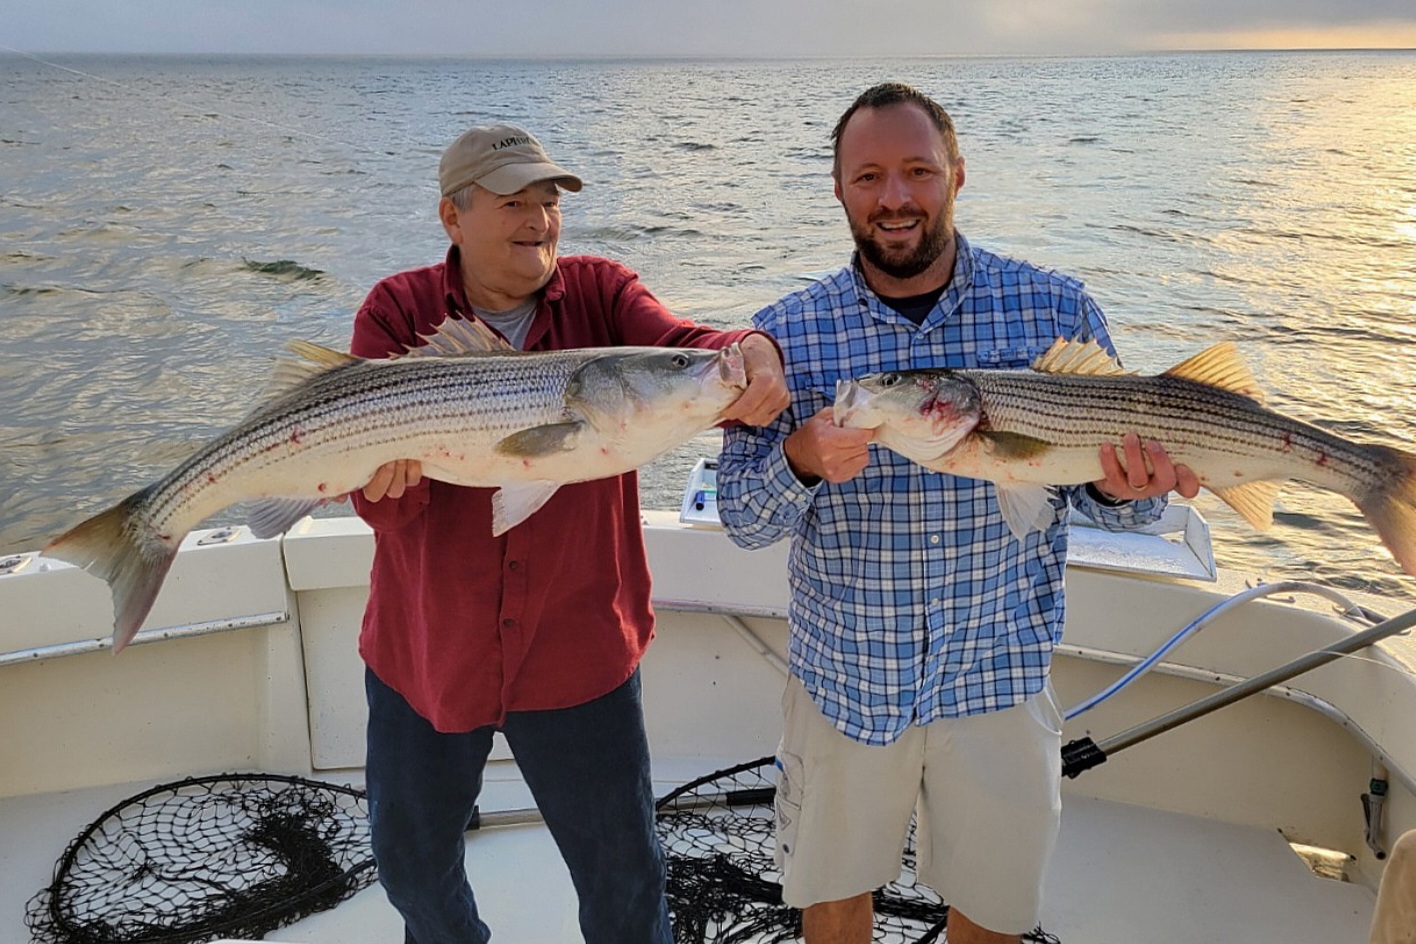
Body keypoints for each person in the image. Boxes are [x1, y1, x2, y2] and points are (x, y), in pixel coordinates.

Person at [716, 82, 1200, 944]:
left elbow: (1131, 509)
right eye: (869, 176)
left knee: (995, 916)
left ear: (958, 175)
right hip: (846, 682)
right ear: (839, 189)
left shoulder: (1054, 308)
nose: (895, 197)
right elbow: (743, 519)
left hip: (1000, 676)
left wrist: (1124, 488)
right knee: (833, 905)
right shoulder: (786, 334)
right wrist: (800, 461)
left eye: (918, 171)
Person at [350, 122, 788, 944]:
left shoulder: (602, 293)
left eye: (549, 202)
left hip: (577, 647)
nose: (540, 220)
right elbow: (380, 511)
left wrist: (748, 347)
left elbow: (681, 344)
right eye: (514, 202)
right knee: (411, 869)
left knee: (625, 877)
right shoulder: (397, 311)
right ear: (452, 216)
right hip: (430, 647)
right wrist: (384, 486)